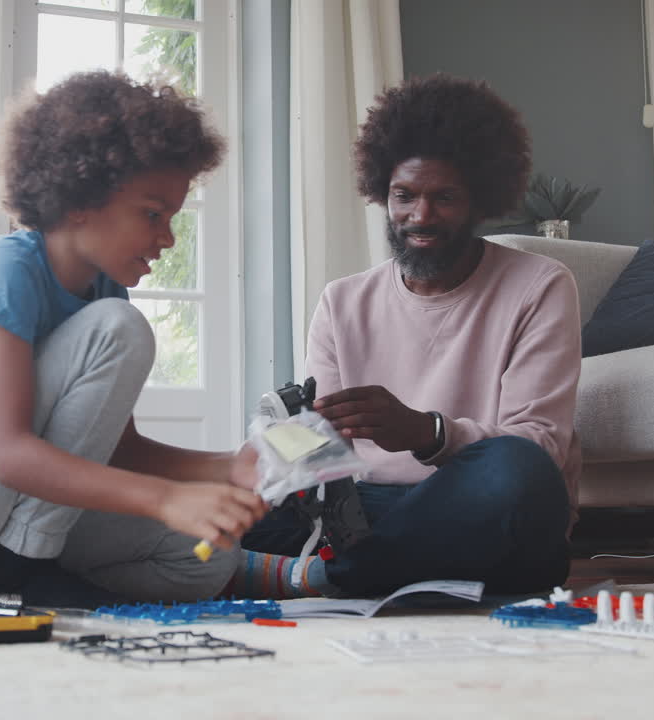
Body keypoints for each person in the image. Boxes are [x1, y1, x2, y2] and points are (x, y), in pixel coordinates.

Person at [0, 70, 271, 607]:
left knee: (204, 556)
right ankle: (9, 576)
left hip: (2, 517)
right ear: (81, 199)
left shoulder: (105, 291)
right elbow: (9, 455)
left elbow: (119, 448)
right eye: (152, 213)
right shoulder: (9, 270)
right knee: (118, 331)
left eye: (171, 217)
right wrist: (166, 498)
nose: (167, 237)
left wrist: (227, 467)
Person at [241, 74, 582, 598]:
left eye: (444, 197)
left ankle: (319, 578)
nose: (419, 217)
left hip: (481, 508)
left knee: (520, 469)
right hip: (368, 512)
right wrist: (273, 448)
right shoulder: (342, 301)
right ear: (384, 193)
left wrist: (428, 433)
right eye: (404, 196)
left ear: (478, 200)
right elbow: (322, 448)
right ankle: (356, 574)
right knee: (226, 494)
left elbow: (541, 442)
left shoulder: (540, 285)